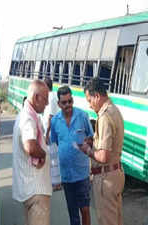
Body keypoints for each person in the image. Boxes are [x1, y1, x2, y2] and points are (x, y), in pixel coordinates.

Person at [80, 77, 125, 225]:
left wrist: (88, 150)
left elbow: (103, 156)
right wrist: (93, 142)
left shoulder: (105, 116)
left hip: (106, 178)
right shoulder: (114, 110)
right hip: (116, 173)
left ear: (97, 96)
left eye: (89, 100)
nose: (89, 105)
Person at [50, 85, 94, 225]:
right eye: (64, 102)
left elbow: (92, 137)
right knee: (73, 213)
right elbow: (55, 144)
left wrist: (88, 141)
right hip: (67, 176)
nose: (68, 105)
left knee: (85, 210)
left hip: (82, 173)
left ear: (73, 100)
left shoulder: (82, 116)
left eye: (70, 101)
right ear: (59, 104)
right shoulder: (55, 121)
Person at [12, 80, 51, 225]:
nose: (47, 104)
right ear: (35, 97)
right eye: (45, 99)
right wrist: (43, 154)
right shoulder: (28, 118)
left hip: (30, 188)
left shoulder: (25, 114)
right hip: (36, 190)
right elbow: (30, 146)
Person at [42, 77, 61, 191]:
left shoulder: (51, 97)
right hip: (50, 131)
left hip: (51, 132)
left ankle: (57, 183)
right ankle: (54, 182)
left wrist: (47, 133)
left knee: (54, 158)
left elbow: (50, 117)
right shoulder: (52, 96)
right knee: (53, 157)